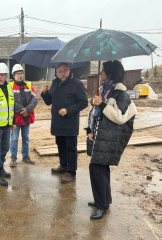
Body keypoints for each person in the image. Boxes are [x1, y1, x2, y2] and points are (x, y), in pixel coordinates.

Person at [85, 60, 137, 219]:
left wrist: (101, 105)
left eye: (103, 71)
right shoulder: (105, 91)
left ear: (110, 73)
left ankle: (101, 206)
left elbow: (119, 117)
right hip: (99, 136)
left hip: (108, 139)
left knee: (97, 169)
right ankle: (103, 201)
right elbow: (96, 113)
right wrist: (89, 128)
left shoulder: (121, 94)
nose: (101, 74)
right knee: (100, 170)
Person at [41, 62, 88, 183]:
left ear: (69, 71)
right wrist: (45, 93)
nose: (63, 73)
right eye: (60, 71)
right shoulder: (55, 84)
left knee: (71, 148)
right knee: (60, 144)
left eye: (65, 70)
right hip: (57, 121)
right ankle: (63, 165)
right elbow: (48, 102)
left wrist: (68, 110)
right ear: (56, 73)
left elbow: (84, 102)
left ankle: (71, 172)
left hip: (70, 122)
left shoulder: (77, 84)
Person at [9, 64, 38, 167]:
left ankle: (25, 156)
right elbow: (10, 101)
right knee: (14, 138)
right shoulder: (10, 86)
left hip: (26, 118)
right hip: (16, 119)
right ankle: (13, 157)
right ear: (14, 75)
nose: (20, 76)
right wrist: (23, 110)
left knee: (26, 138)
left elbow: (35, 99)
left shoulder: (28, 86)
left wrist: (28, 109)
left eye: (21, 73)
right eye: (18, 74)